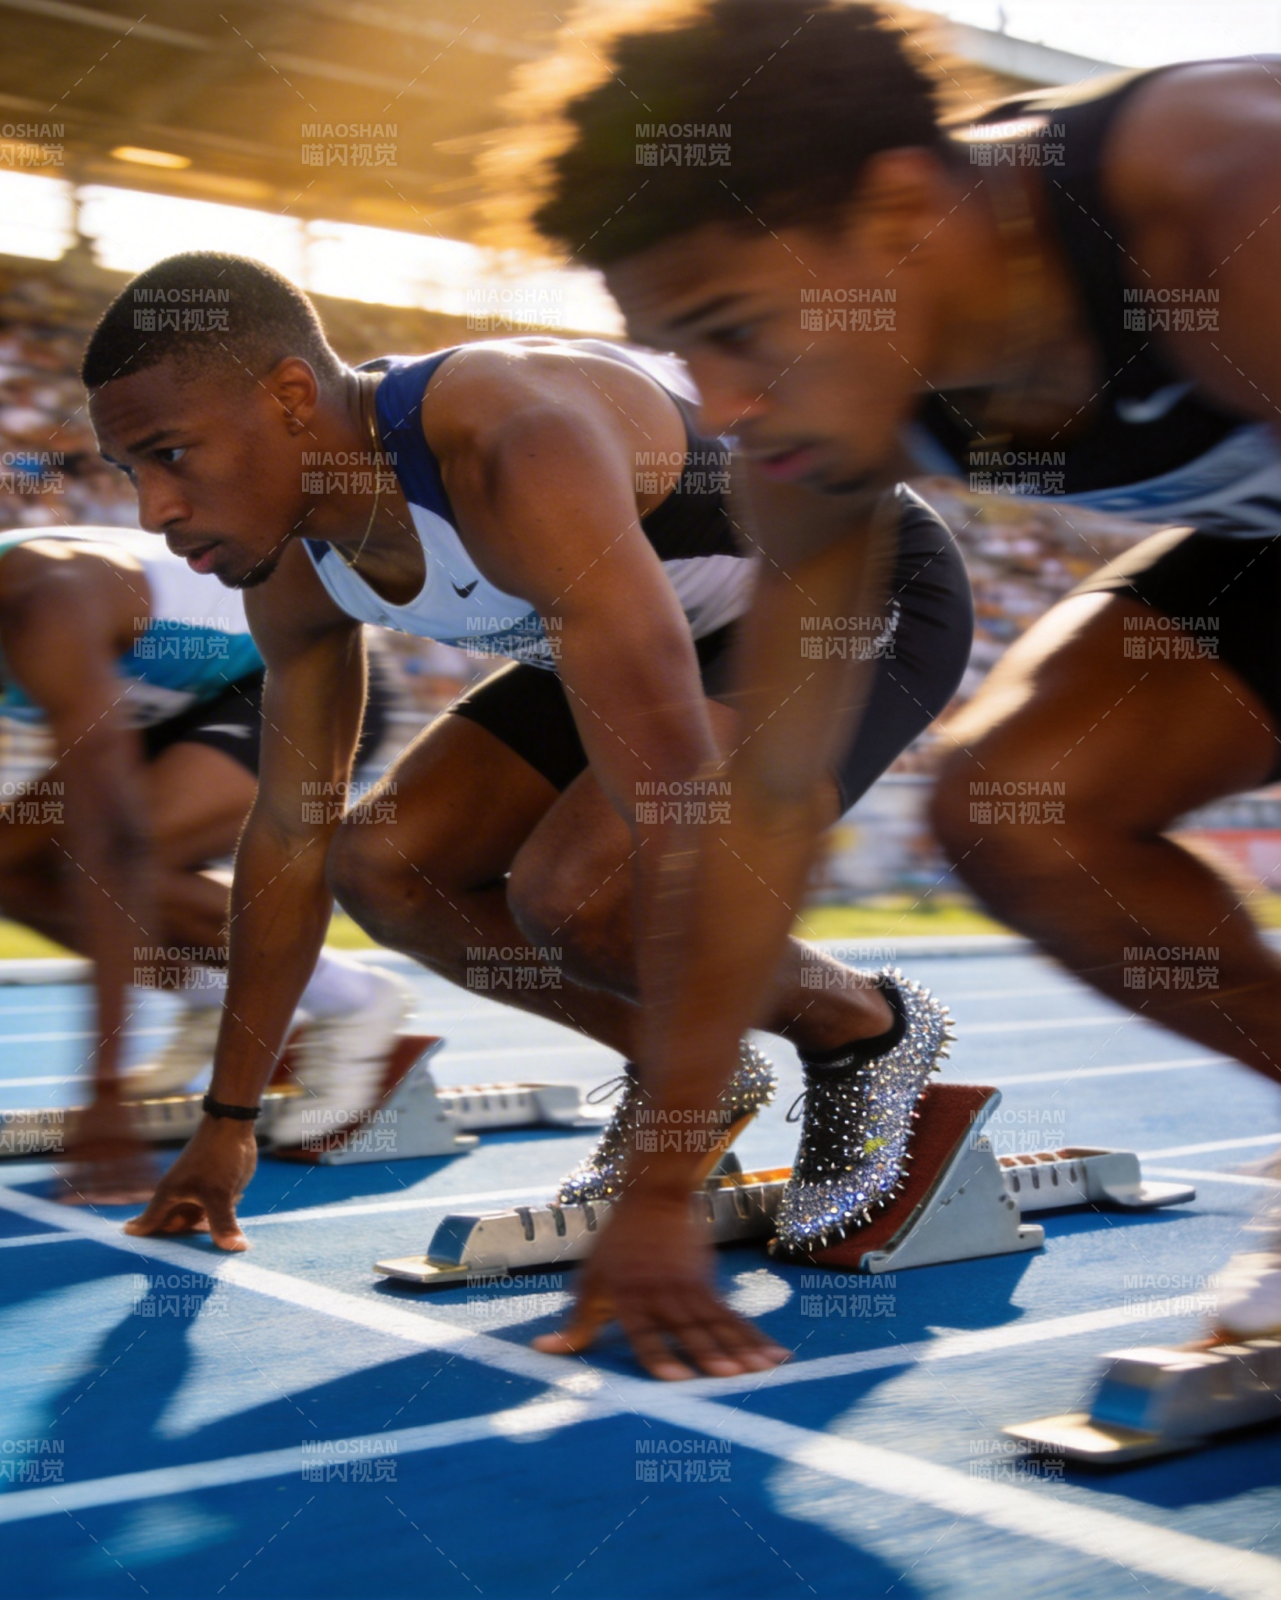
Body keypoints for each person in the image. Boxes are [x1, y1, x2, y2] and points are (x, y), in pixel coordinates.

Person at [520, 0, 1281, 1375]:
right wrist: (662, 1189)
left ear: (896, 210)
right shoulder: (822, 435)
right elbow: (767, 804)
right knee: (1015, 809)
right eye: (678, 350)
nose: (723, 405)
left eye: (732, 329)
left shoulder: (1224, 204)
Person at [83, 252, 971, 1294]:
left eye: (171, 454)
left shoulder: (511, 438)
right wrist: (226, 1120)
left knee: (577, 893)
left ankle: (864, 1028)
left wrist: (653, 1191)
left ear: (289, 397)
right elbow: (288, 833)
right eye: (128, 471)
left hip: (844, 597)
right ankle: (697, 1065)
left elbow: (676, 818)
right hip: (643, 624)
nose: (152, 509)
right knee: (380, 864)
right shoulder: (284, 558)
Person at [0, 453, 406, 1198]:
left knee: (120, 857)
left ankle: (354, 1000)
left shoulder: (42, 593)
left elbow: (116, 846)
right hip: (162, 710)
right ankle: (209, 993)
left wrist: (104, 1092)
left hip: (288, 673)